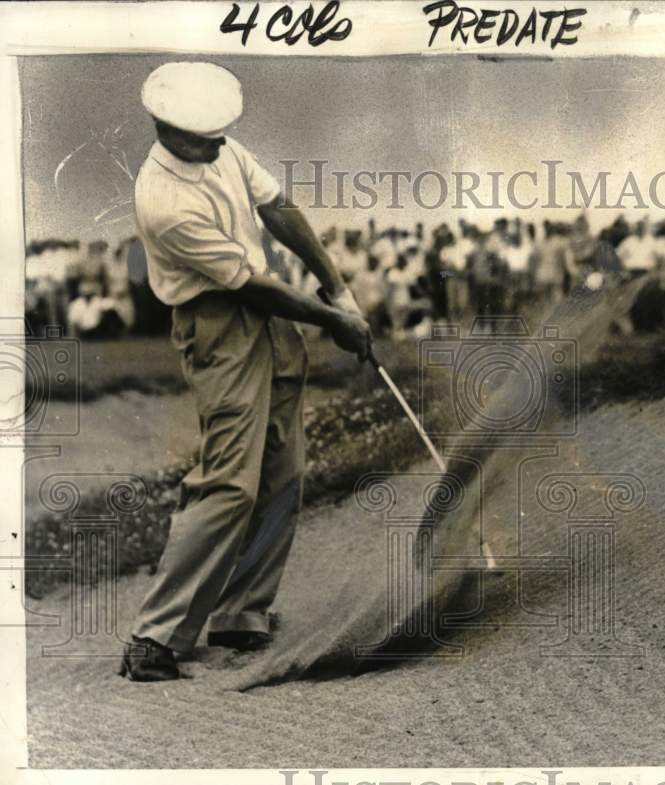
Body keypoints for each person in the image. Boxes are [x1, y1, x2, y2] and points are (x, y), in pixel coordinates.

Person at [120, 62, 372, 682]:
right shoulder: (164, 202)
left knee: (283, 468)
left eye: (219, 134)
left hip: (269, 314)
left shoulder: (221, 147)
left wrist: (337, 288)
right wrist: (332, 322)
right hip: (219, 326)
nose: (216, 144)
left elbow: (277, 206)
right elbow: (253, 285)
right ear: (163, 127)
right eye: (201, 136)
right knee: (231, 479)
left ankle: (241, 613)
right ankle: (154, 636)